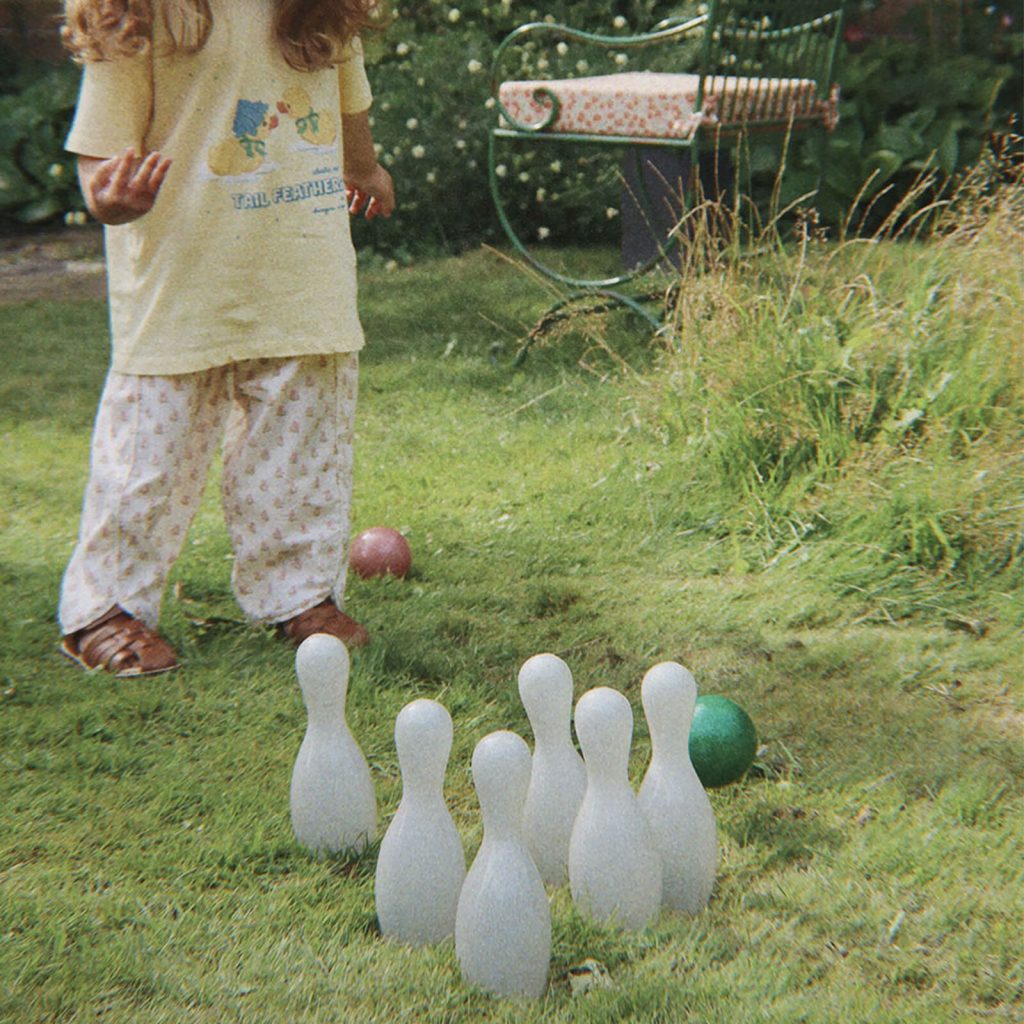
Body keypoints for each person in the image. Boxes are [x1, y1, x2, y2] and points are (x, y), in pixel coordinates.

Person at [58, 0, 395, 677]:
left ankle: (299, 595)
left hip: (300, 272)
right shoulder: (138, 12)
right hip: (182, 284)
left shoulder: (318, 6)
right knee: (148, 460)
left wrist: (363, 169)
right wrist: (106, 196)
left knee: (299, 450)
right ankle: (107, 609)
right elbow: (99, 151)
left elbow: (345, 97)